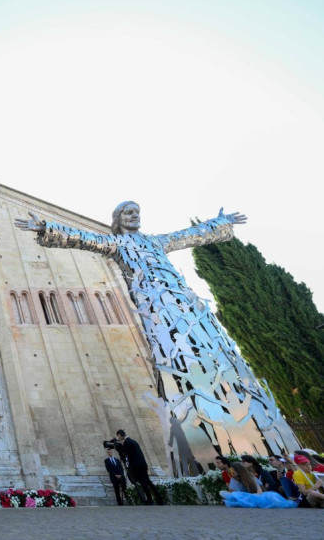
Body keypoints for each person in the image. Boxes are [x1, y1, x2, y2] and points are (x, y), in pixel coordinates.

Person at [16, 205, 299, 461]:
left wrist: (219, 223)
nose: (135, 216)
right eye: (128, 213)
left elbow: (187, 235)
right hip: (155, 309)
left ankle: (262, 440)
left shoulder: (156, 241)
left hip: (183, 302)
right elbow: (84, 238)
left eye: (137, 212)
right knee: (172, 360)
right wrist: (46, 227)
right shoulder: (117, 243)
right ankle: (205, 442)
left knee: (212, 350)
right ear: (118, 220)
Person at [115, 430, 163, 505]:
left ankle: (150, 500)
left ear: (120, 435)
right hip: (142, 465)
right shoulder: (133, 441)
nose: (118, 438)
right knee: (148, 482)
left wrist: (121, 447)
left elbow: (126, 454)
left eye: (118, 436)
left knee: (143, 483)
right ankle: (160, 500)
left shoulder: (127, 442)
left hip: (136, 466)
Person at [220, 462, 297, 508]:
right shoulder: (234, 479)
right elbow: (232, 493)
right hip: (244, 497)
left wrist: (246, 496)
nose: (231, 472)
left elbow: (259, 492)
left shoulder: (250, 477)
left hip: (256, 496)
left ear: (239, 470)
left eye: (233, 470)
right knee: (224, 494)